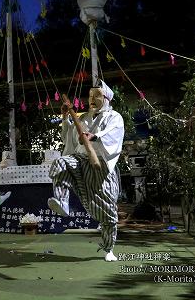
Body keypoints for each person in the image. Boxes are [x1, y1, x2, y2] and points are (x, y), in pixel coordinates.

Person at [48, 79, 124, 262]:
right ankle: (62, 201)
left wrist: (95, 136)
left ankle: (109, 248)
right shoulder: (82, 118)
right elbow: (70, 139)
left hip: (101, 166)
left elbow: (114, 132)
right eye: (90, 95)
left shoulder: (114, 116)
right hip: (81, 159)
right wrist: (66, 118)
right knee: (61, 162)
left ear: (106, 98)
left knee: (107, 212)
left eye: (97, 95)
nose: (92, 98)